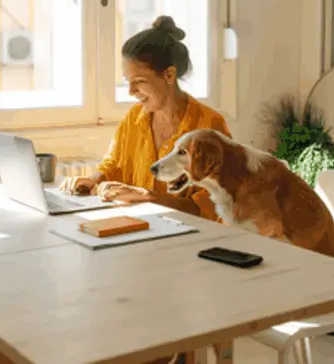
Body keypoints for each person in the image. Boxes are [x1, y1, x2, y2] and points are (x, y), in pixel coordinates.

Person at [60, 15, 232, 221]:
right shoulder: (134, 118)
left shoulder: (209, 125)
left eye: (139, 81)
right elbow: (113, 166)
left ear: (169, 75)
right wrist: (89, 181)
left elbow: (215, 208)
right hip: (139, 228)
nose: (131, 91)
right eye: (127, 81)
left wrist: (150, 198)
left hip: (188, 236)